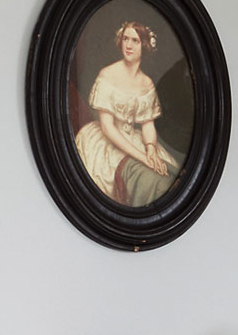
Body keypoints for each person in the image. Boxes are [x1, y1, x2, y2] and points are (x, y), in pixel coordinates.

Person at [74, 19, 180, 205]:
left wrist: (150, 149)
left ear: (144, 46)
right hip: (107, 141)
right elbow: (108, 128)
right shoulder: (107, 75)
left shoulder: (146, 83)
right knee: (152, 178)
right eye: (126, 39)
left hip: (135, 139)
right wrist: (142, 157)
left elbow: (148, 124)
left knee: (170, 175)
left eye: (135, 41)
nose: (129, 45)